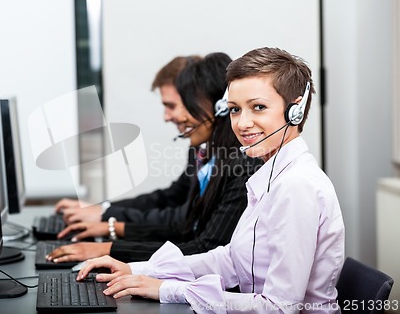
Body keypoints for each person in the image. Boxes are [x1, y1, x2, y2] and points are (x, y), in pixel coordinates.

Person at [76, 47, 346, 313]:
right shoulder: (270, 176)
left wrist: (168, 289)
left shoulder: (296, 186)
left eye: (258, 107)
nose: (242, 123)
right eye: (235, 110)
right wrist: (139, 270)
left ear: (294, 111)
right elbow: (230, 260)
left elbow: (279, 307)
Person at [46, 52, 262, 263]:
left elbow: (204, 246)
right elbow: (183, 218)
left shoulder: (243, 165)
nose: (168, 117)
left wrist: (109, 241)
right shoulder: (208, 152)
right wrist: (107, 219)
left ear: (218, 107)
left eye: (174, 105)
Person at [54, 55, 202, 225]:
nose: (166, 117)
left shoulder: (226, 155)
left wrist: (109, 221)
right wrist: (103, 210)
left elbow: (181, 219)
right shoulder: (199, 148)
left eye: (171, 106)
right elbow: (171, 197)